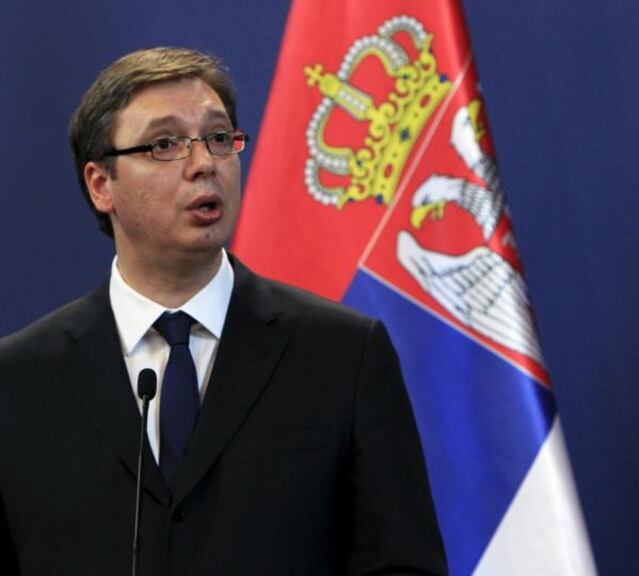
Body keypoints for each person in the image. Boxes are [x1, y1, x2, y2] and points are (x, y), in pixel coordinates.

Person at [0, 47, 447, 575]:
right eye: (165, 144)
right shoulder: (18, 381)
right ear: (101, 185)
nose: (204, 164)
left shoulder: (343, 355)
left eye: (218, 138)